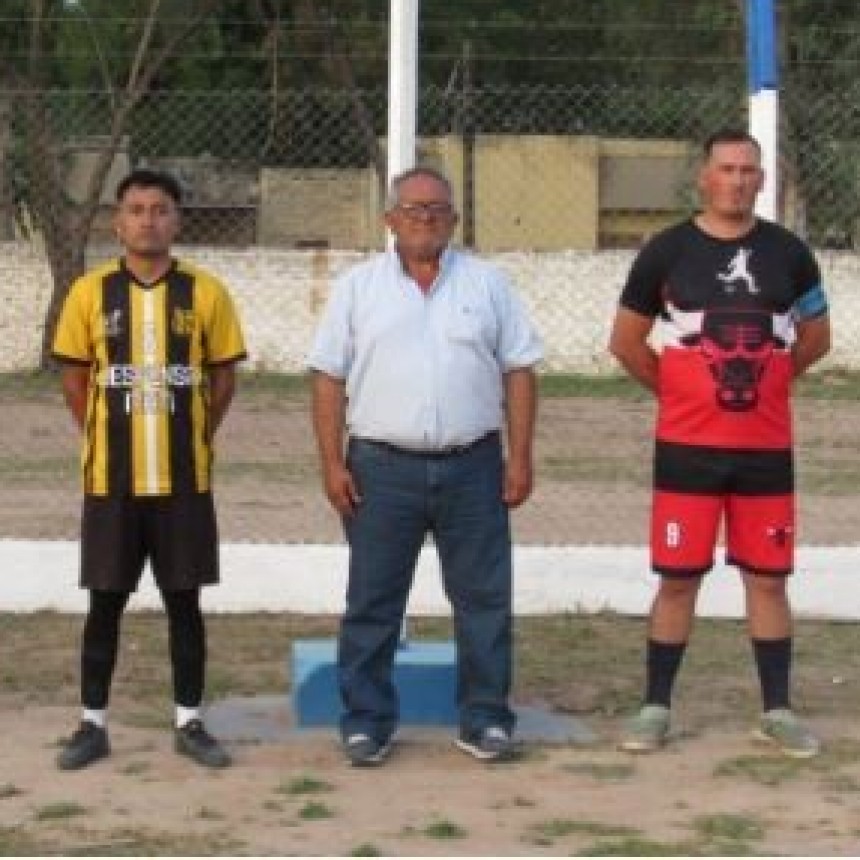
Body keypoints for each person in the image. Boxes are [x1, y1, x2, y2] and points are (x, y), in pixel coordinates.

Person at [308, 166, 542, 766]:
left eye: (438, 210)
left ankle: (486, 719)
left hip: (474, 466)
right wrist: (333, 463)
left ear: (455, 221)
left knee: (484, 599)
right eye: (412, 210)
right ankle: (366, 722)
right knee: (373, 599)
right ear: (390, 220)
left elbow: (519, 370)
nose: (425, 219)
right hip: (381, 469)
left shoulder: (488, 286)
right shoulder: (358, 289)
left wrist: (520, 457)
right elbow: (328, 378)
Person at [609, 129, 831, 758]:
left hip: (766, 452)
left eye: (749, 171)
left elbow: (817, 337)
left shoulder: (790, 253)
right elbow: (627, 343)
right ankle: (655, 707)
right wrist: (681, 395)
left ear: (762, 181)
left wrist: (774, 383)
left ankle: (778, 710)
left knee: (768, 580)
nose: (738, 180)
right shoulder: (665, 253)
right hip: (686, 449)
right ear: (704, 178)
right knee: (679, 580)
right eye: (727, 169)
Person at [52, 168, 247, 770]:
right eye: (136, 209)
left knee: (183, 602)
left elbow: (222, 379)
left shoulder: (207, 293)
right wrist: (106, 431)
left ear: (177, 220)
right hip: (110, 481)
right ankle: (92, 724)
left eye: (160, 209)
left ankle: (189, 722)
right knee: (104, 602)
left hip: (184, 481)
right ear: (118, 220)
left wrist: (194, 433)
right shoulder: (88, 293)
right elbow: (75, 377)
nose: (148, 219)